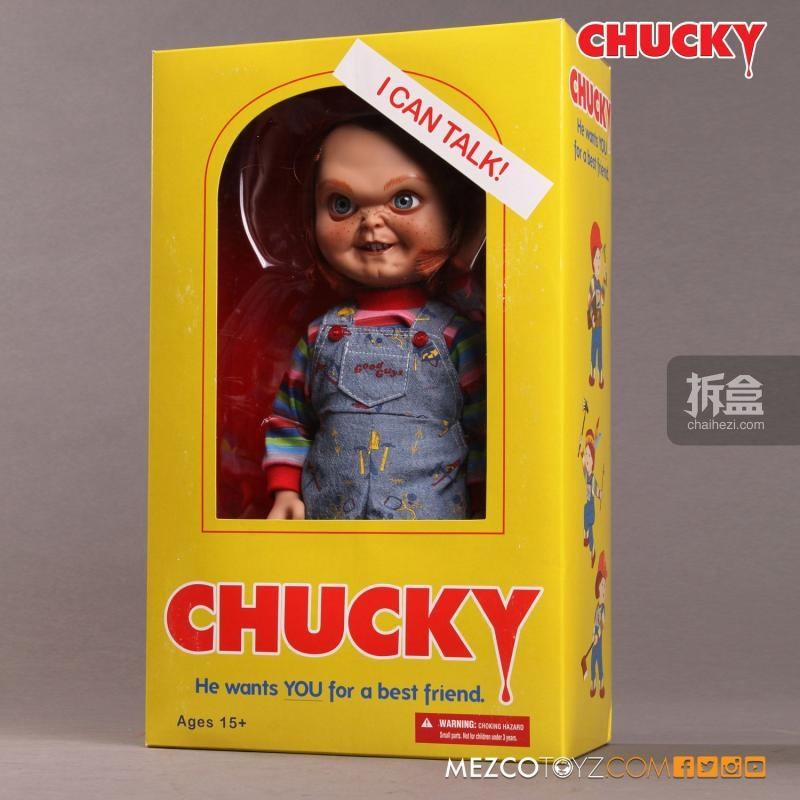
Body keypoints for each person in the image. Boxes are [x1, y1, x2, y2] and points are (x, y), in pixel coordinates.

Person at [264, 116, 485, 520]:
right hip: (329, 523)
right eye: (341, 205)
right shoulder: (318, 335)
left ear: (452, 210)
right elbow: (290, 417)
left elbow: (485, 431)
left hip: (432, 527)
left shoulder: (456, 336)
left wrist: (486, 506)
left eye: (403, 200)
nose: (370, 222)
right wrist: (285, 491)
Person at [587, 222, 607, 389]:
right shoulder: (593, 282)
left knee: (600, 348)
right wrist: (591, 319)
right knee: (594, 348)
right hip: (595, 322)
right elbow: (589, 303)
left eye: (600, 258)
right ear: (592, 260)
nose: (599, 262)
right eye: (597, 258)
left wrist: (605, 281)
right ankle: (592, 373)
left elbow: (603, 302)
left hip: (600, 323)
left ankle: (600, 376)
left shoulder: (599, 282)